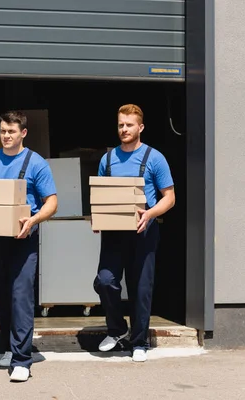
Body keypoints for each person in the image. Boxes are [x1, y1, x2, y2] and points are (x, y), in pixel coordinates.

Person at [0, 110, 58, 382]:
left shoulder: (36, 163)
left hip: (23, 239)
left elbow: (51, 202)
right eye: (2, 131)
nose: (6, 136)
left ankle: (22, 360)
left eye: (11, 131)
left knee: (21, 295)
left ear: (23, 133)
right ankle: (9, 345)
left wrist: (33, 220)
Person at [93, 104, 175, 362]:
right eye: (120, 125)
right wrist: (97, 218)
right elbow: (101, 197)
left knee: (141, 288)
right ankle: (117, 330)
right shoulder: (107, 160)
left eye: (129, 125)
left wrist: (150, 214)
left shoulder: (155, 158)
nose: (124, 129)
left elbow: (169, 198)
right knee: (105, 281)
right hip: (114, 233)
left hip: (143, 231)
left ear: (140, 127)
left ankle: (139, 341)